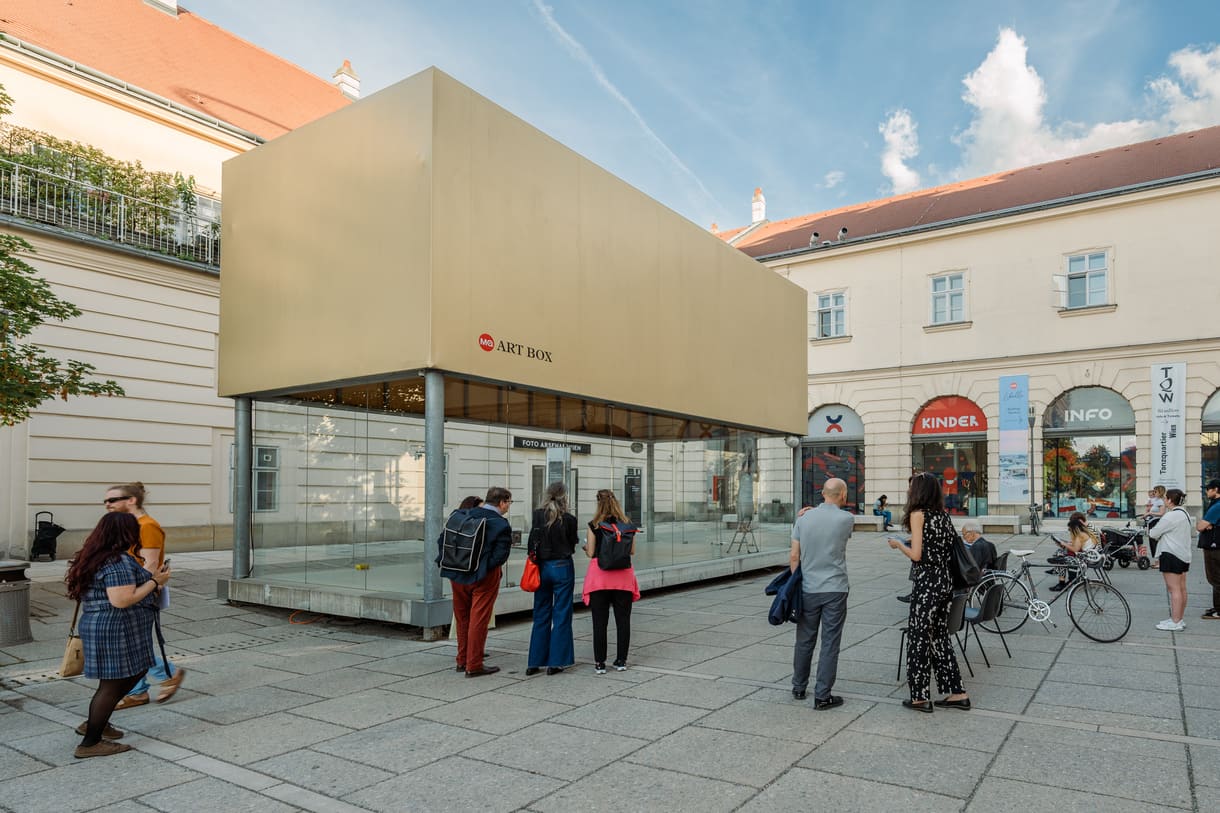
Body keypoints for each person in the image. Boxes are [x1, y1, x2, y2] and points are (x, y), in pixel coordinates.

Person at [65, 512, 171, 758]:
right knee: (112, 684)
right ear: (127, 534)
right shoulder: (117, 562)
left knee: (130, 674)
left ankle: (97, 722)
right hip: (116, 628)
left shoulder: (95, 557)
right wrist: (156, 581)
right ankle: (90, 743)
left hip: (108, 626)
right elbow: (122, 600)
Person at [888, 471, 970, 713]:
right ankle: (958, 692)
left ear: (918, 491)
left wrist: (898, 544)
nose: (908, 491)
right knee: (940, 637)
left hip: (927, 583)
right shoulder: (943, 516)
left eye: (911, 487)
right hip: (945, 582)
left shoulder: (918, 514)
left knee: (919, 638)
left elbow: (917, 555)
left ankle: (920, 697)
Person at [105, 483, 185, 709]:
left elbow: (149, 565)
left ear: (131, 500)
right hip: (129, 589)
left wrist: (140, 592)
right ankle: (139, 691)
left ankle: (167, 673)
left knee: (130, 644)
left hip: (140, 592)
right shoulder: (130, 525)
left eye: (112, 500)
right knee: (131, 643)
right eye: (106, 501)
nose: (107, 505)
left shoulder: (147, 526)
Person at [790, 477, 853, 710]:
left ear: (822, 493)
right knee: (830, 642)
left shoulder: (804, 519)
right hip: (835, 588)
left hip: (808, 588)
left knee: (804, 640)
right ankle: (822, 695)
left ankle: (798, 687)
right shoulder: (846, 519)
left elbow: (794, 556)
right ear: (843, 495)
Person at [440, 486, 514, 676]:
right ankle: (474, 665)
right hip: (483, 577)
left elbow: (443, 540)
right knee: (478, 620)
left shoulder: (462, 514)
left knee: (462, 618)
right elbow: (501, 556)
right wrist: (484, 566)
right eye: (509, 503)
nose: (508, 507)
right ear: (502, 502)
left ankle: (461, 660)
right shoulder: (501, 524)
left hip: (456, 573)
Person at [582, 489, 640, 674]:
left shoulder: (594, 525)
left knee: (600, 622)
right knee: (623, 621)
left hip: (600, 578)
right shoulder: (627, 524)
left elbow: (591, 553)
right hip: (623, 578)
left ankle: (600, 663)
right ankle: (621, 661)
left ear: (598, 503)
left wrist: (585, 547)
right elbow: (631, 551)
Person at [526, 482, 579, 676]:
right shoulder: (569, 519)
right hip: (562, 566)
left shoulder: (538, 515)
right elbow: (572, 544)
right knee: (562, 614)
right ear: (565, 497)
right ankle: (556, 661)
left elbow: (532, 541)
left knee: (540, 613)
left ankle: (534, 661)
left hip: (541, 568)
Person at [1149, 488, 1192, 631]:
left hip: (1171, 553)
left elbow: (1154, 533)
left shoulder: (1170, 516)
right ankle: (1178, 618)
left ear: (1169, 500)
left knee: (1174, 589)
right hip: (1183, 554)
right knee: (1181, 588)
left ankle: (1175, 621)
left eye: (1165, 498)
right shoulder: (1184, 513)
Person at [1047, 512, 1098, 592]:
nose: (1070, 531)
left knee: (1061, 559)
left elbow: (1075, 549)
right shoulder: (1084, 533)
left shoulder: (1080, 535)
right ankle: (1058, 571)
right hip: (1090, 556)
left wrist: (1064, 544)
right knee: (1061, 553)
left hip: (1086, 559)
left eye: (1070, 530)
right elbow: (1077, 546)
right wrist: (1065, 544)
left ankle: (1061, 581)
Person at [1197, 479, 1220, 620]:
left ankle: (1219, 610)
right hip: (1215, 545)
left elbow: (1200, 526)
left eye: (1208, 489)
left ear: (1216, 489)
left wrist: (1207, 525)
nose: (1206, 492)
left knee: (1215, 578)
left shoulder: (1217, 506)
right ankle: (1217, 607)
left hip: (1214, 547)